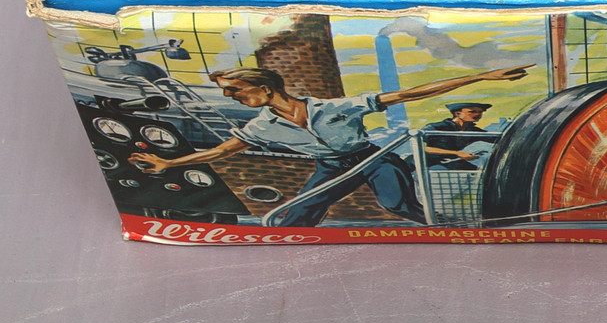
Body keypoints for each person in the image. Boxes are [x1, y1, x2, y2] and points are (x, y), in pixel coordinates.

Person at [129, 63, 531, 228]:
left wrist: (481, 77)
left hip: (372, 158)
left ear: (263, 87)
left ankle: (451, 230)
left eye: (234, 90)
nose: (231, 96)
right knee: (298, 213)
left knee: (396, 205)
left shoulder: (336, 108)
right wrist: (168, 164)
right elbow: (220, 152)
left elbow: (409, 94)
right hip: (331, 167)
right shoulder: (261, 126)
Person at [421, 102, 497, 170]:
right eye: (472, 112)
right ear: (457, 114)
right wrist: (458, 153)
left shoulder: (472, 130)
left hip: (451, 162)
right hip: (427, 164)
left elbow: (495, 139)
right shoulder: (436, 127)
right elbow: (424, 148)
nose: (478, 114)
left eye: (480, 112)